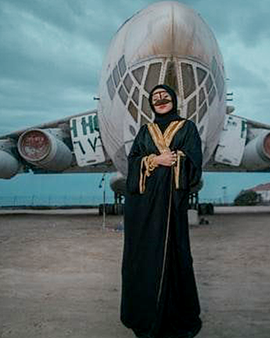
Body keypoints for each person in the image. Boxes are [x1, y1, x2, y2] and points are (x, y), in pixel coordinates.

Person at [121, 84, 203, 338]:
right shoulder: (145, 132)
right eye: (156, 98)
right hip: (144, 209)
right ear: (151, 104)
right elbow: (133, 163)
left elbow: (195, 162)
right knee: (145, 258)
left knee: (176, 257)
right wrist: (155, 160)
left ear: (174, 100)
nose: (161, 100)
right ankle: (145, 315)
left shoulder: (187, 128)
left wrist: (176, 158)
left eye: (165, 96)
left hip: (172, 209)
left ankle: (177, 317)